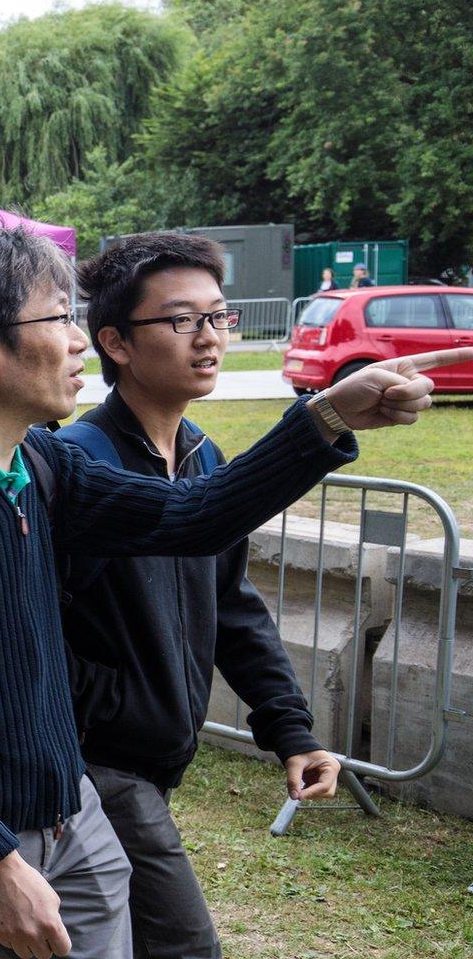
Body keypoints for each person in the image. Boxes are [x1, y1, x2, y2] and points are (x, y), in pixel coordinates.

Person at [0, 226, 464, 959]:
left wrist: (328, 416)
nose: (79, 340)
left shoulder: (44, 463)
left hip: (68, 818)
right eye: (58, 319)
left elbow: (196, 515)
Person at [62, 233, 337, 958]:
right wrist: (108, 707)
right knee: (185, 948)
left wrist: (292, 731)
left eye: (220, 317)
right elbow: (35, 626)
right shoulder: (81, 467)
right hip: (98, 764)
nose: (209, 338)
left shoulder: (202, 458)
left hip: (149, 760)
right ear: (115, 342)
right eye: (183, 320)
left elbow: (235, 606)